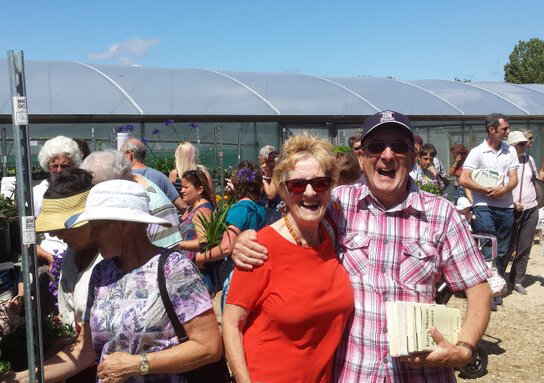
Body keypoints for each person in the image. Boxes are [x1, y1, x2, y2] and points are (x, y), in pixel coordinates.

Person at [232, 111, 492, 382]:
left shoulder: (442, 214)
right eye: (376, 147)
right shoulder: (337, 204)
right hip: (354, 373)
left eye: (399, 147)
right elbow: (292, 223)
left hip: (420, 373)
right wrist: (245, 237)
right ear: (362, 157)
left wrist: (464, 348)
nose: (387, 155)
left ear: (413, 157)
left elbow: (478, 288)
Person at [11, 180, 222, 382]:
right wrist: (25, 377)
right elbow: (85, 349)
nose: (92, 235)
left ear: (123, 225)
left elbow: (209, 346)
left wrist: (138, 364)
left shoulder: (174, 269)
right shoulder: (102, 273)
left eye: (97, 226)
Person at [223, 134, 354, 383]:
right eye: (297, 185)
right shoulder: (259, 248)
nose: (309, 192)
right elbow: (231, 323)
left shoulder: (331, 235)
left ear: (331, 187)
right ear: (283, 189)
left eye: (320, 183)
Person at [195, 161, 266, 309]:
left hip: (237, 275)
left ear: (235, 183)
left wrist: (200, 258)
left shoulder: (239, 209)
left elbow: (226, 248)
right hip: (255, 273)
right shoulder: (259, 208)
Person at [81, 150, 182, 249]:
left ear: (116, 180)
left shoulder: (153, 204)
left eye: (96, 186)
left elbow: (167, 254)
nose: (94, 192)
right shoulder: (132, 190)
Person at [459, 113, 519, 280]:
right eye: (504, 128)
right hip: (483, 206)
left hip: (506, 206)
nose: (508, 131)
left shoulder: (510, 150)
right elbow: (463, 179)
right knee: (487, 247)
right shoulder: (477, 152)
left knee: (502, 249)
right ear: (491, 129)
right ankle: (487, 286)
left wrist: (504, 189)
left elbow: (514, 179)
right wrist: (485, 190)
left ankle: (496, 283)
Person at [505, 131, 539, 295]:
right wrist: (512, 202)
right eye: (520, 144)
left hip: (531, 207)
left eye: (524, 143)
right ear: (511, 146)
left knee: (525, 246)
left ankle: (517, 279)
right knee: (507, 246)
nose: (524, 146)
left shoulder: (530, 160)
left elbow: (534, 180)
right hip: (510, 209)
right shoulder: (504, 161)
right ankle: (500, 278)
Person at [121, 137, 185, 212]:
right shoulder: (160, 177)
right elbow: (182, 206)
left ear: (129, 155)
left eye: (122, 154)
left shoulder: (121, 178)